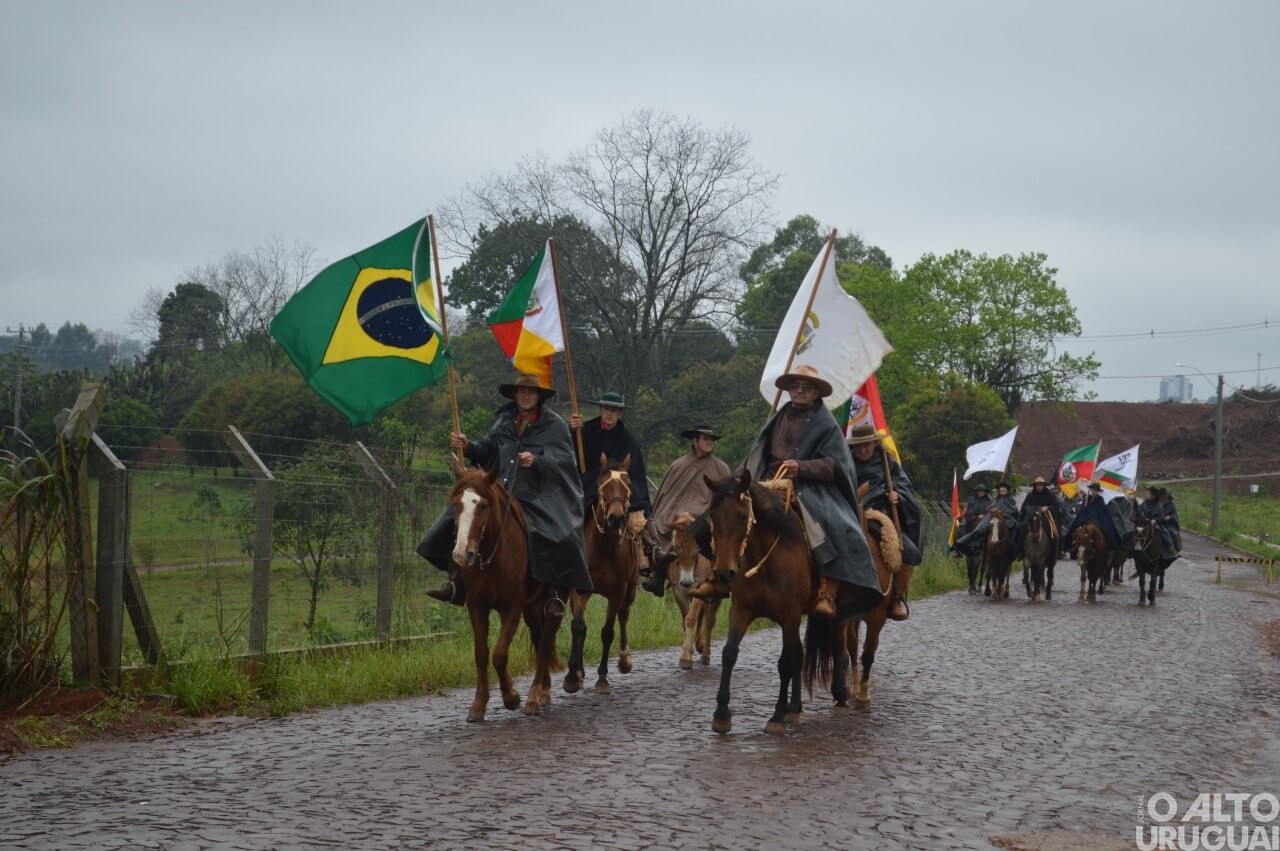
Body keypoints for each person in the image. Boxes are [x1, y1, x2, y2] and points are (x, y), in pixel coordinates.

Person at [416, 373, 592, 615]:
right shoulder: (504, 421)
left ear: (539, 397)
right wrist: (468, 446)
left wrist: (538, 460)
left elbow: (565, 460)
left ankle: (554, 593)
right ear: (515, 395)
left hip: (537, 496)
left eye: (530, 392)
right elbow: (487, 447)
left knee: (559, 534)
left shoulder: (555, 425)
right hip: (500, 491)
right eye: (521, 392)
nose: (526, 396)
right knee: (458, 514)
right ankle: (455, 579)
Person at [740, 364, 882, 619]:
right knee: (730, 511)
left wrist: (802, 467)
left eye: (806, 387)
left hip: (811, 488)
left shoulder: (826, 424)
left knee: (829, 524)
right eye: (795, 386)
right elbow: (760, 452)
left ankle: (828, 587)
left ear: (816, 393)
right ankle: (719, 575)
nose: (800, 391)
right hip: (769, 482)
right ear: (789, 390)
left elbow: (837, 464)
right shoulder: (778, 416)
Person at [638, 424, 731, 597]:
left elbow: (724, 498)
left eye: (712, 439)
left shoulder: (721, 468)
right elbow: (666, 493)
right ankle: (658, 576)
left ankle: (722, 580)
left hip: (705, 514)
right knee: (659, 524)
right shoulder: (678, 465)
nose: (710, 442)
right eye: (706, 438)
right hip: (676, 512)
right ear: (694, 441)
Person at [569, 392, 652, 579]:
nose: (609, 414)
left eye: (614, 410)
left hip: (621, 484)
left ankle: (646, 551)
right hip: (592, 481)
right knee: (574, 509)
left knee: (637, 515)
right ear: (601, 409)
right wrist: (572, 432)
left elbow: (636, 471)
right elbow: (570, 453)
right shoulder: (586, 431)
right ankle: (568, 555)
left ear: (620, 413)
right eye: (606, 409)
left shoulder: (628, 439)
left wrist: (631, 491)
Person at [847, 424, 921, 621]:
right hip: (849, 512)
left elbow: (904, 487)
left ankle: (896, 598)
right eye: (858, 446)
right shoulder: (844, 461)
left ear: (874, 443)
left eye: (866, 445)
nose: (862, 450)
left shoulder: (887, 462)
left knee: (908, 550)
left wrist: (898, 496)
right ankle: (825, 594)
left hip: (881, 513)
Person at [954, 481, 1019, 555]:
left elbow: (1013, 510)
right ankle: (961, 544)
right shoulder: (995, 499)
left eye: (1004, 491)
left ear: (1007, 491)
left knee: (1014, 528)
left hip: (1006, 518)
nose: (1002, 492)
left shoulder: (1010, 500)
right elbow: (989, 508)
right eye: (1001, 491)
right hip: (979, 517)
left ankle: (1014, 548)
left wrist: (1002, 514)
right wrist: (990, 510)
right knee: (972, 527)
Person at [1016, 476, 1065, 558]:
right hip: (1032, 516)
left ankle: (1056, 550)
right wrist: (1033, 510)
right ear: (1035, 486)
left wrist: (1047, 508)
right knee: (1021, 528)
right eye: (1037, 485)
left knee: (1054, 529)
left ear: (1044, 485)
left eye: (1041, 485)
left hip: (1045, 516)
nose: (1039, 486)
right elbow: (1025, 507)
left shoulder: (1050, 495)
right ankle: (1021, 550)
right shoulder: (1030, 495)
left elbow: (1056, 506)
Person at [1138, 485, 1177, 565]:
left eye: (1148, 494)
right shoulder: (1144, 504)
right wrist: (1143, 518)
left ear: (1153, 496)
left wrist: (1155, 520)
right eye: (1147, 493)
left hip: (1155, 524)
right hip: (1144, 523)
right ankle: (1130, 551)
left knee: (1165, 533)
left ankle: (1169, 550)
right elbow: (1139, 512)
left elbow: (1161, 517)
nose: (1146, 495)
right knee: (1135, 532)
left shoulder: (1158, 506)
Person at [1158, 487, 1183, 556]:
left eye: (1163, 496)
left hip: (1167, 523)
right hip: (1157, 521)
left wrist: (1170, 517)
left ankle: (1176, 548)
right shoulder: (1156, 502)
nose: (1162, 498)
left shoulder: (1170, 504)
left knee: (1172, 532)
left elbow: (1174, 513)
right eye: (1161, 496)